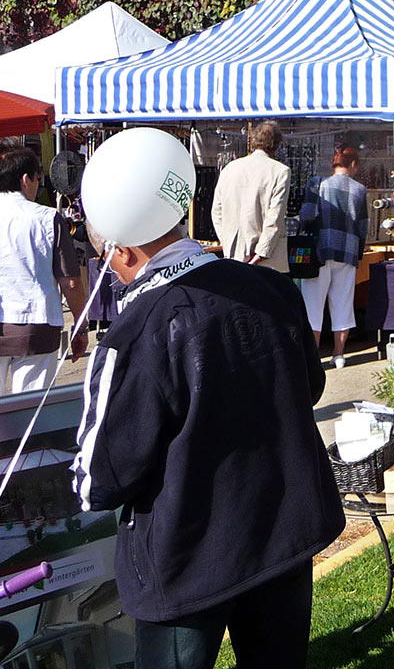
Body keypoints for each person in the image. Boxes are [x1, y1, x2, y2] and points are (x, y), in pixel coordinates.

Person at [70, 128, 343, 669]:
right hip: (282, 532)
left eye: (103, 254)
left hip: (189, 558)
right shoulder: (272, 289)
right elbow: (308, 387)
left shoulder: (137, 332)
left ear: (123, 249)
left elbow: (103, 477)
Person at [0, 142, 88, 392]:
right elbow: (71, 282)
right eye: (38, 179)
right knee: (32, 406)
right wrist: (81, 326)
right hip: (37, 323)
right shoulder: (48, 218)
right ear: (25, 179)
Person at [298, 144, 369, 368]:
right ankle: (339, 354)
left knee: (312, 304)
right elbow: (363, 226)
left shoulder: (317, 184)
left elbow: (307, 215)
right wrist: (358, 252)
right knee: (343, 303)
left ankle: (313, 356)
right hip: (347, 250)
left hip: (319, 250)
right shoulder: (360, 190)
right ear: (353, 164)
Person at [211, 120, 291, 273]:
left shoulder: (229, 168)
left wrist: (226, 241)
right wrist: (260, 253)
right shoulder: (280, 171)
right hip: (266, 260)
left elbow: (216, 211)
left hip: (233, 253)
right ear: (276, 144)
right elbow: (275, 216)